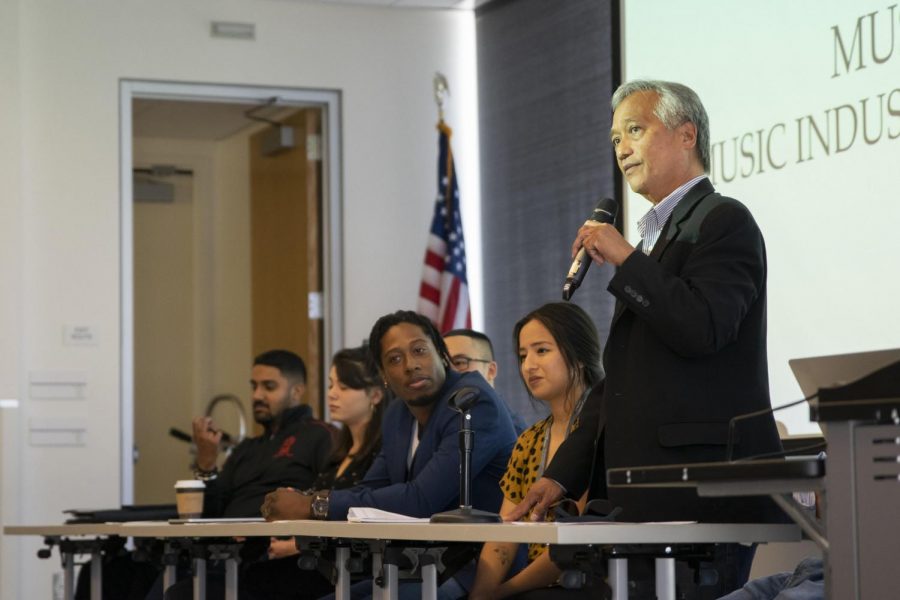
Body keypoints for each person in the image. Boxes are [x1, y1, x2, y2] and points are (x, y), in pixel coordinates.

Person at [507, 80, 784, 597]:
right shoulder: (656, 242)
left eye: (635, 130)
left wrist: (627, 260)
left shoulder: (724, 220)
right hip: (647, 499)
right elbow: (622, 382)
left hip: (700, 495)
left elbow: (704, 328)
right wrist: (562, 475)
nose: (622, 148)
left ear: (686, 135)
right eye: (615, 138)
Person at [261, 310, 519, 600]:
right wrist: (310, 499)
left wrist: (315, 505)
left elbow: (422, 500)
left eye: (420, 350)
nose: (411, 365)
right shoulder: (398, 414)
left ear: (441, 354)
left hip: (478, 568)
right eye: (395, 359)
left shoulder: (472, 402)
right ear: (383, 376)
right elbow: (374, 487)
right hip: (422, 564)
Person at [468, 303, 603, 600]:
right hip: (536, 587)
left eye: (541, 351)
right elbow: (504, 537)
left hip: (589, 582)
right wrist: (480, 594)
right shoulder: (529, 440)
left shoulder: (603, 434)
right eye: (522, 355)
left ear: (579, 356)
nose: (528, 365)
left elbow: (577, 538)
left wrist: (503, 591)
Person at [445, 328, 528, 433]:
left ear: (491, 370)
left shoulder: (515, 431)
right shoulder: (440, 422)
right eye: (444, 365)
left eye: (459, 363)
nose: (450, 373)